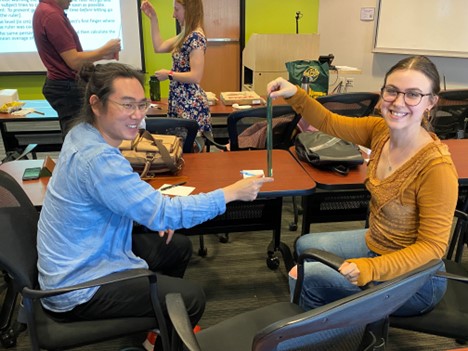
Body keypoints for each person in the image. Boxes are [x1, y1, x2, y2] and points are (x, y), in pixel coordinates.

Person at [36, 62, 273, 348]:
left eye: (142, 105)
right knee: (191, 297)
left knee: (177, 248)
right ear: (96, 104)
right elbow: (165, 212)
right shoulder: (99, 160)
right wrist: (231, 193)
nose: (137, 115)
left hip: (85, 256)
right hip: (78, 286)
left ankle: (156, 322)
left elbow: (124, 199)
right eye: (127, 105)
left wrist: (157, 217)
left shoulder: (82, 132)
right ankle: (165, 331)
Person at [267, 55, 458, 317]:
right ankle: (338, 316)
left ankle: (327, 337)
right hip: (376, 242)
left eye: (413, 94)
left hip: (417, 281)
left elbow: (432, 249)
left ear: (431, 102)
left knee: (305, 276)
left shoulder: (436, 168)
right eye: (392, 91)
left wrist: (371, 268)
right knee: (305, 246)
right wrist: (295, 94)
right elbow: (328, 122)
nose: (399, 102)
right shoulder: (380, 131)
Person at [33, 0, 121, 136]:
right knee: (79, 139)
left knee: (79, 136)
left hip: (64, 85)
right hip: (67, 87)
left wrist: (102, 55)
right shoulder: (51, 15)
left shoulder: (47, 11)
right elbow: (73, 61)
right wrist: (104, 50)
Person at [141, 0, 212, 135]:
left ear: (189, 10)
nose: (174, 15)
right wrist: (153, 19)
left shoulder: (195, 37)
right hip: (181, 101)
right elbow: (159, 47)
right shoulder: (186, 34)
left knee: (188, 149)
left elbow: (196, 76)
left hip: (190, 105)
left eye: (177, 10)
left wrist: (169, 74)